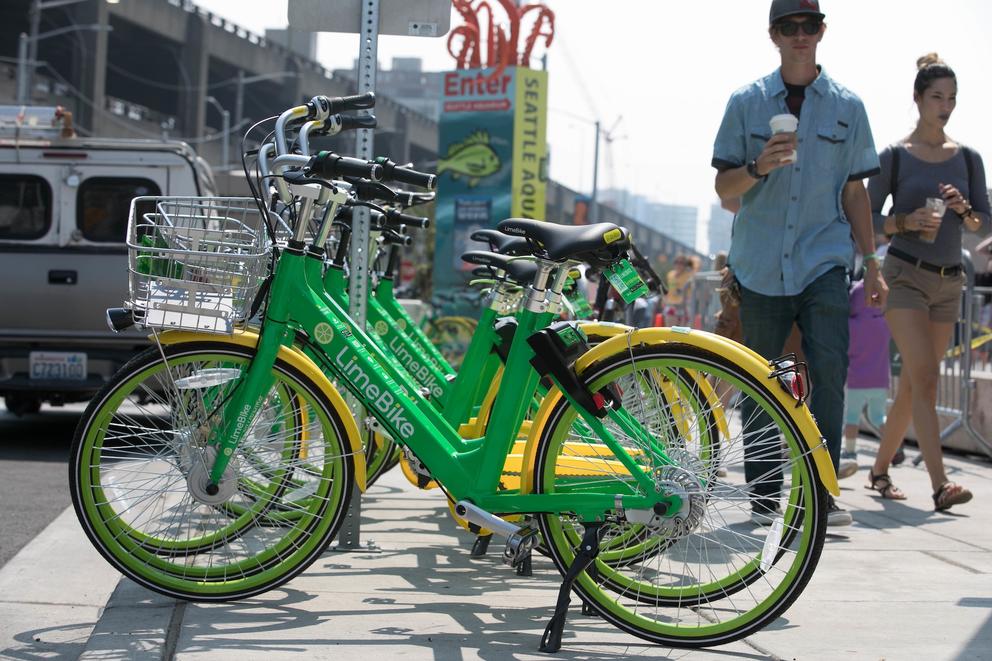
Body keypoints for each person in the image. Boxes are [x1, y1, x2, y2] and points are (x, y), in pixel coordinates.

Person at [712, 0, 887, 527]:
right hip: (760, 261)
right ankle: (766, 498)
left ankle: (821, 492)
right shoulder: (745, 103)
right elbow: (724, 191)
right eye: (788, 27)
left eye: (808, 26)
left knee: (828, 371)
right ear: (773, 35)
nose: (799, 35)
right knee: (764, 378)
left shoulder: (847, 107)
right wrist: (758, 165)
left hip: (825, 258)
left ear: (822, 31)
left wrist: (873, 263)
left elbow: (855, 191)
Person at [866, 53, 989, 511]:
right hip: (904, 277)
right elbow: (868, 222)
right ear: (917, 99)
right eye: (937, 96)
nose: (946, 105)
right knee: (926, 378)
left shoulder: (970, 158)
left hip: (949, 283)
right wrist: (905, 221)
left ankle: (879, 471)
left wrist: (963, 211)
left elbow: (982, 223)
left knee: (919, 383)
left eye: (952, 98)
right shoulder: (894, 156)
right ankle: (941, 486)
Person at [842, 278, 891, 478]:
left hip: (856, 381)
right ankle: (893, 445)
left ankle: (850, 451)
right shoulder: (884, 322)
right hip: (880, 380)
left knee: (851, 417)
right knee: (878, 416)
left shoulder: (850, 325)